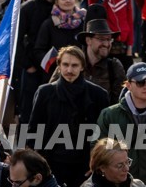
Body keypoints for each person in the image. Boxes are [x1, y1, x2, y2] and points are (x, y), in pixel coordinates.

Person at [27, 47, 109, 187]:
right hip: (51, 164)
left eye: (74, 65)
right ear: (59, 66)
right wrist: (39, 164)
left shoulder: (98, 95)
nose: (69, 70)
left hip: (85, 166)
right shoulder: (45, 92)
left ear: (82, 66)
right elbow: (33, 131)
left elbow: (104, 134)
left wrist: (97, 163)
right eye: (65, 65)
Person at [75, 18, 126, 98]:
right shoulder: (73, 63)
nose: (106, 44)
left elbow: (121, 101)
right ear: (88, 40)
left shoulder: (113, 66)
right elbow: (54, 92)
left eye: (109, 39)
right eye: (101, 39)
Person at [79, 139, 146, 187]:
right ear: (102, 168)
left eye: (127, 162)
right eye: (120, 165)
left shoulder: (138, 185)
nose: (127, 169)